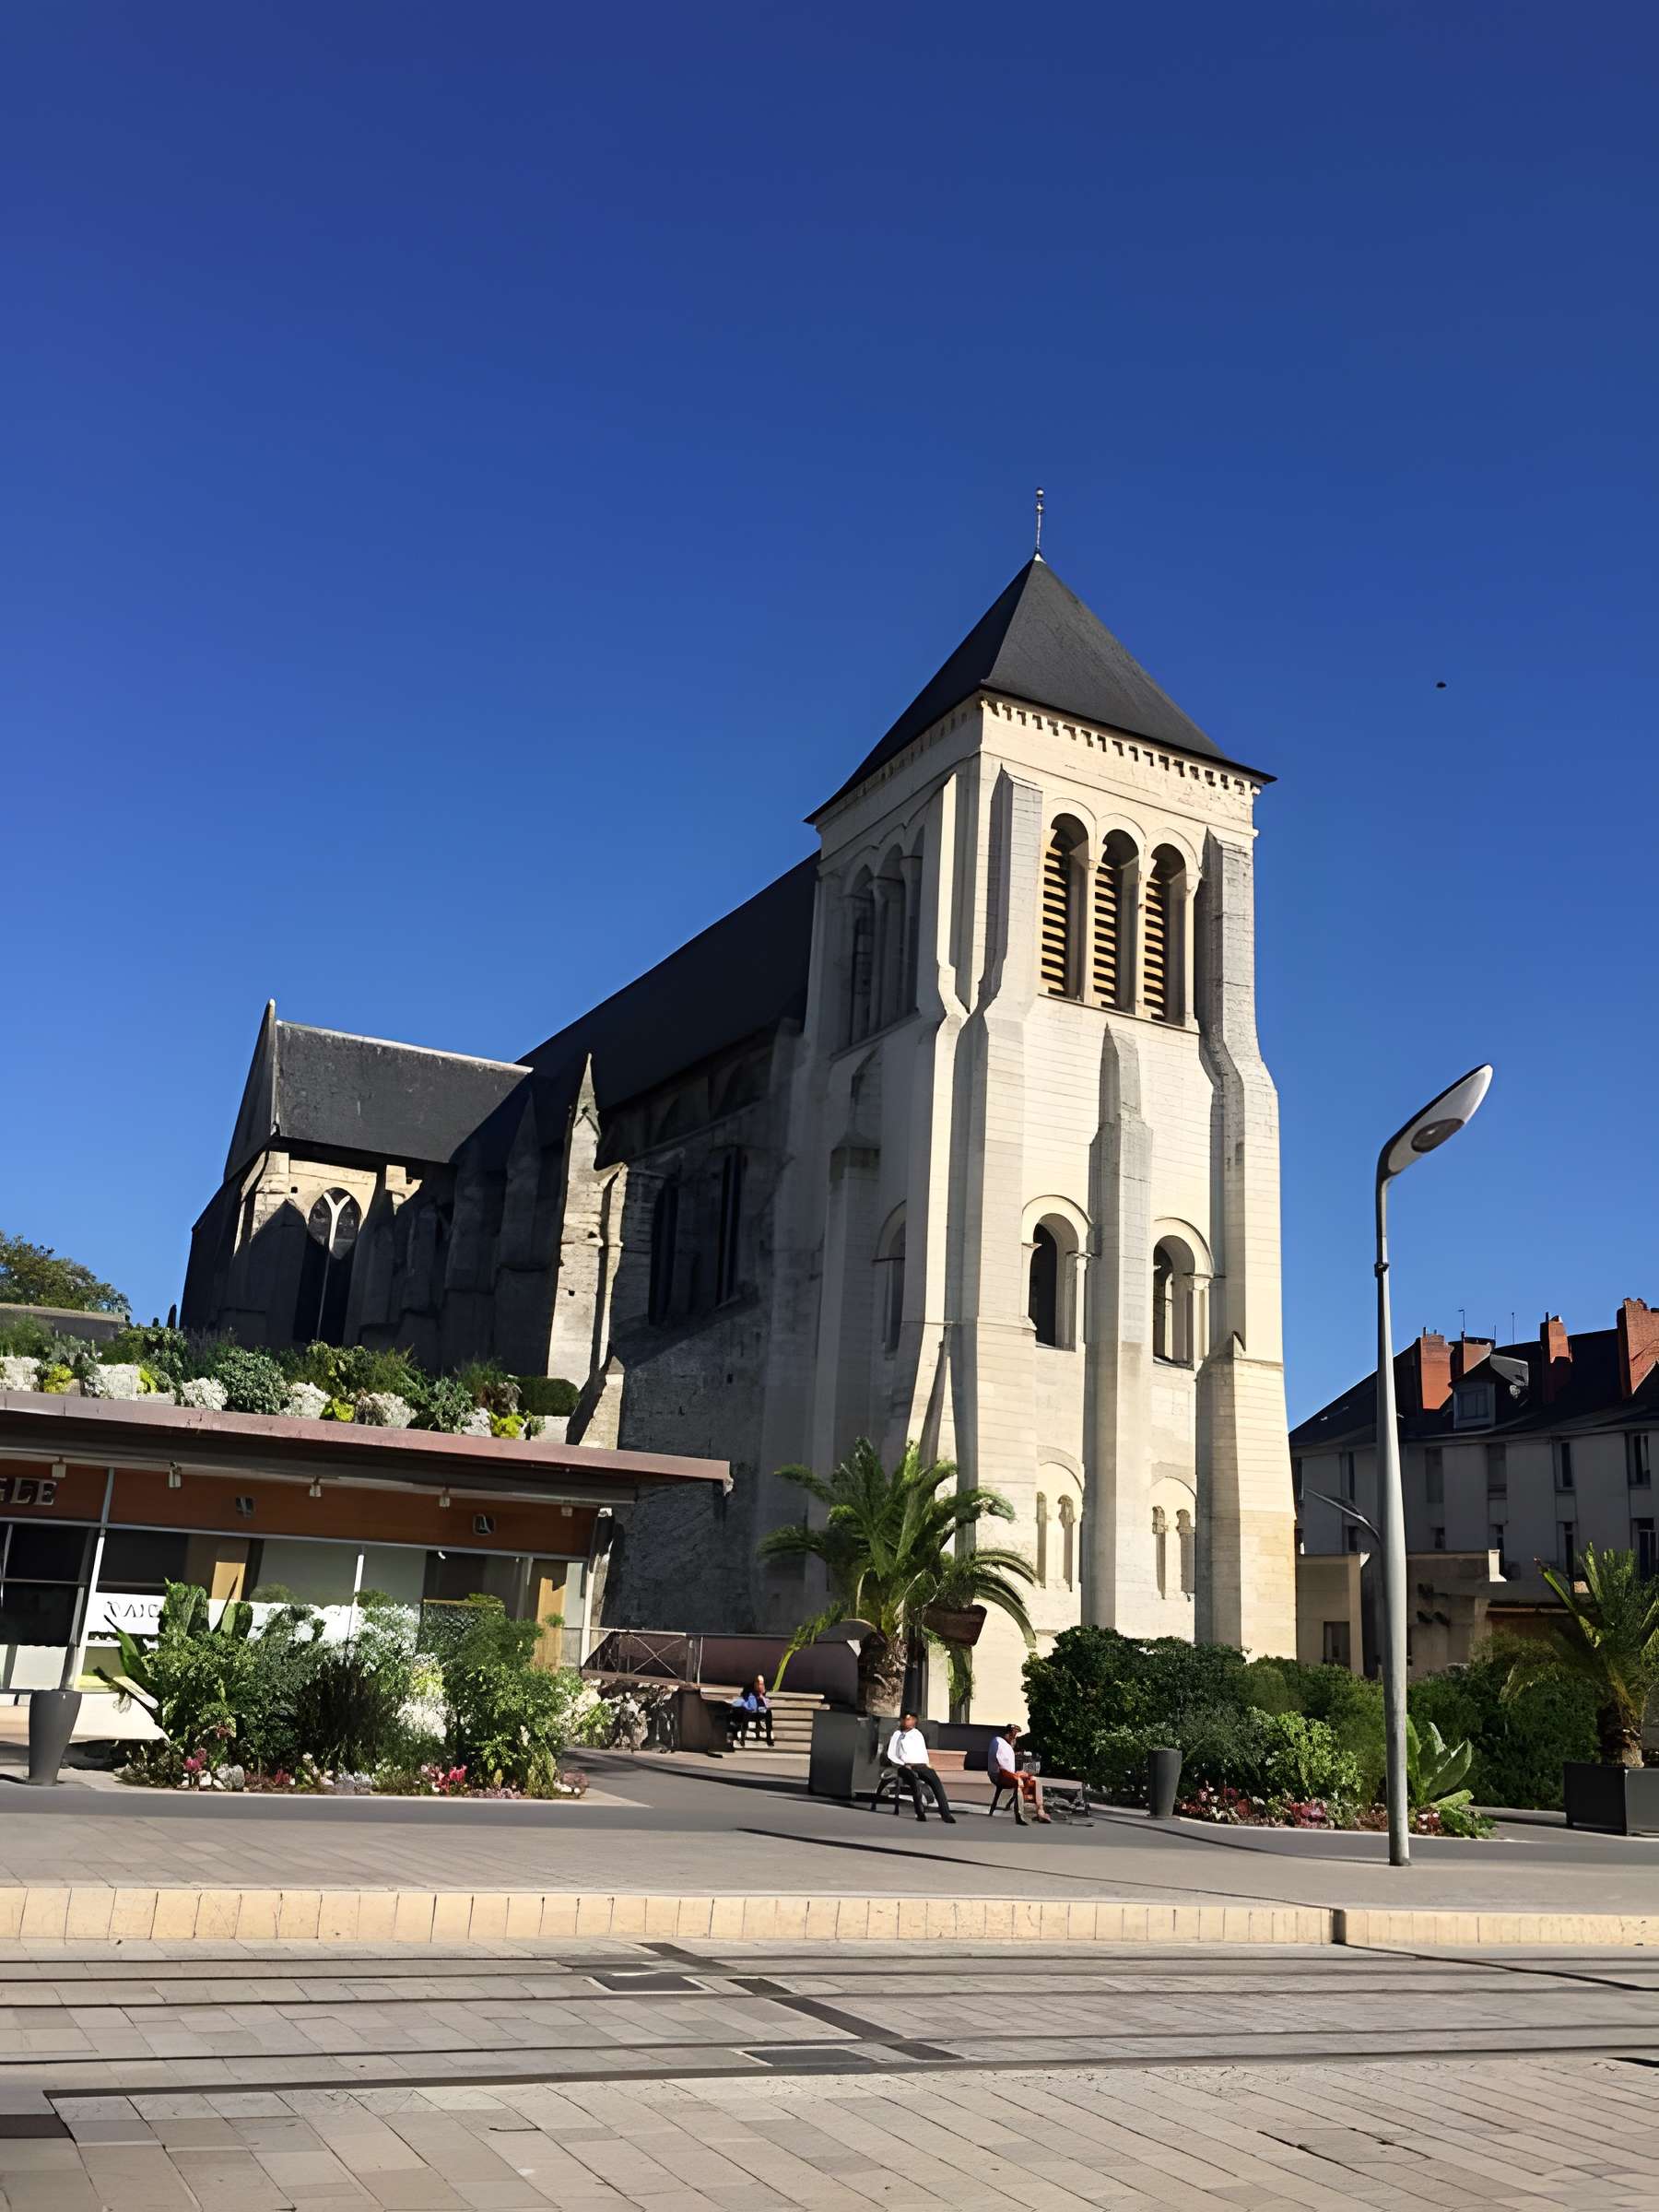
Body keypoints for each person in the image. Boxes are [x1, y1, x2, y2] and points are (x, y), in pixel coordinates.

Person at [886, 1712, 956, 1823]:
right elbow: (891, 1754)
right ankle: (920, 1813)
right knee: (915, 1782)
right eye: (908, 1719)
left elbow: (922, 1751)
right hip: (905, 1766)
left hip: (921, 1765)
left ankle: (946, 1814)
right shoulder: (897, 1734)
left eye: (913, 1719)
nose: (911, 1722)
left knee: (936, 1782)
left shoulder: (918, 1734)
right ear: (902, 1720)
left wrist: (927, 1764)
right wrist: (902, 1764)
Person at [987, 1724, 1050, 1824]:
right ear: (1008, 1734)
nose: (1014, 1738)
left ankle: (1040, 1812)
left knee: (1036, 1780)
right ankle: (1019, 1815)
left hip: (1009, 1774)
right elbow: (1002, 1765)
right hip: (999, 1775)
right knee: (1018, 1781)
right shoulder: (999, 1742)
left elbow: (1010, 1766)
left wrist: (1020, 1773)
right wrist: (1017, 1775)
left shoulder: (1009, 1746)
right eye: (1013, 1734)